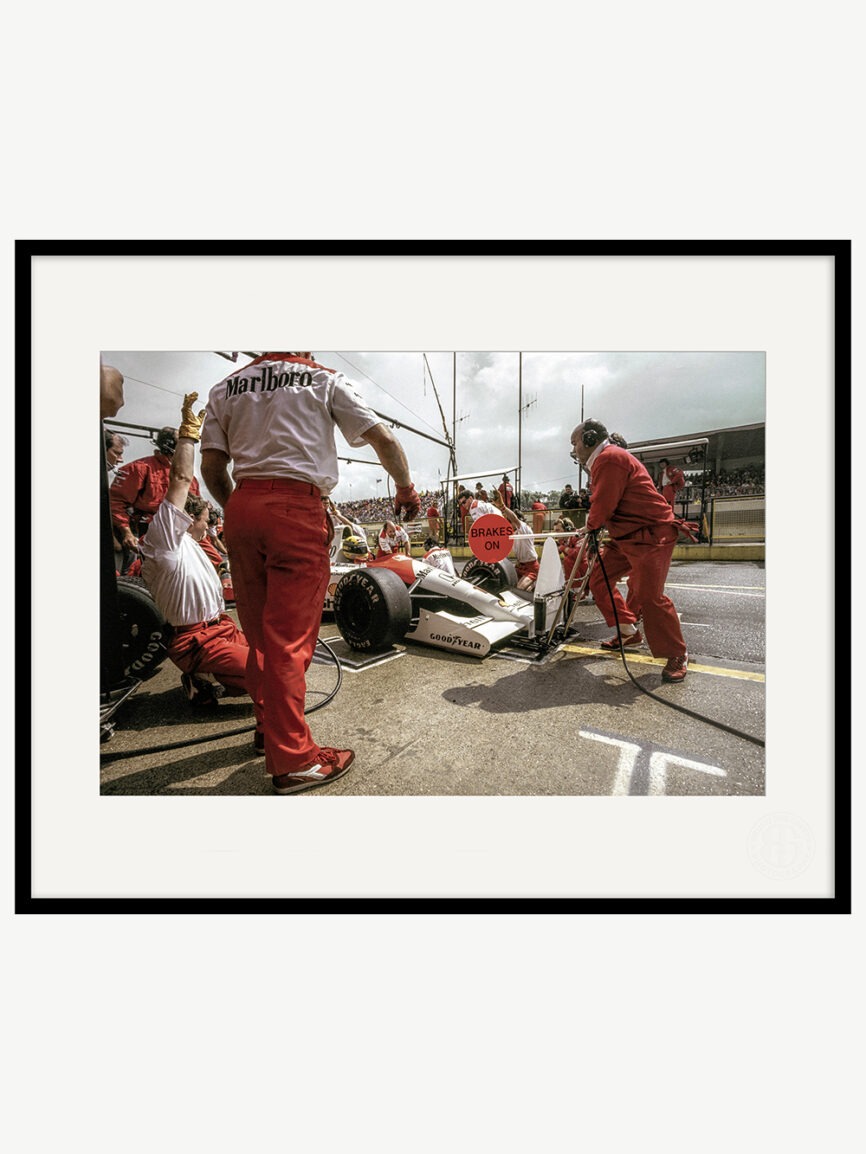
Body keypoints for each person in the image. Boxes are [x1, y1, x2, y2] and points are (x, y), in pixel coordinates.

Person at [200, 351, 421, 795]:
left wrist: (245, 510)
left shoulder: (225, 386)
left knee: (260, 638)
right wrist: (405, 489)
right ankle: (295, 761)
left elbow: (211, 467)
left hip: (242, 506)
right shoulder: (324, 378)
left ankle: (269, 728)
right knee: (288, 641)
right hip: (296, 508)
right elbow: (384, 440)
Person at [140, 394, 266, 736]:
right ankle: (206, 679)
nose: (210, 525)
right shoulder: (164, 542)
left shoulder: (197, 545)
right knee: (267, 675)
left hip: (221, 628)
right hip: (195, 640)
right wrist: (188, 435)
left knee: (281, 667)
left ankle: (208, 681)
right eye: (206, 519)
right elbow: (181, 479)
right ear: (187, 519)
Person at [569, 419, 688, 683]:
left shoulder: (609, 458)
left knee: (650, 596)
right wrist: (593, 527)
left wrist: (590, 527)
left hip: (651, 534)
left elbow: (604, 502)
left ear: (589, 439)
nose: (574, 449)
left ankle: (677, 653)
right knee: (598, 579)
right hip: (626, 536)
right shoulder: (605, 460)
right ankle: (628, 631)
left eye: (575, 442)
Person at [110, 424, 202, 565]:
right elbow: (116, 502)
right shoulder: (139, 468)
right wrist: (126, 532)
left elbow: (198, 510)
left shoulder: (191, 479)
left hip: (181, 537)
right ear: (171, 447)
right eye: (183, 445)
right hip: (146, 534)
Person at [489, 488, 539, 590]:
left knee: (519, 589)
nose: (507, 524)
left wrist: (502, 507)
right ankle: (531, 586)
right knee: (505, 584)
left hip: (531, 568)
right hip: (519, 566)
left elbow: (515, 519)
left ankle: (534, 584)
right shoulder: (511, 533)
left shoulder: (524, 528)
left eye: (509, 521)